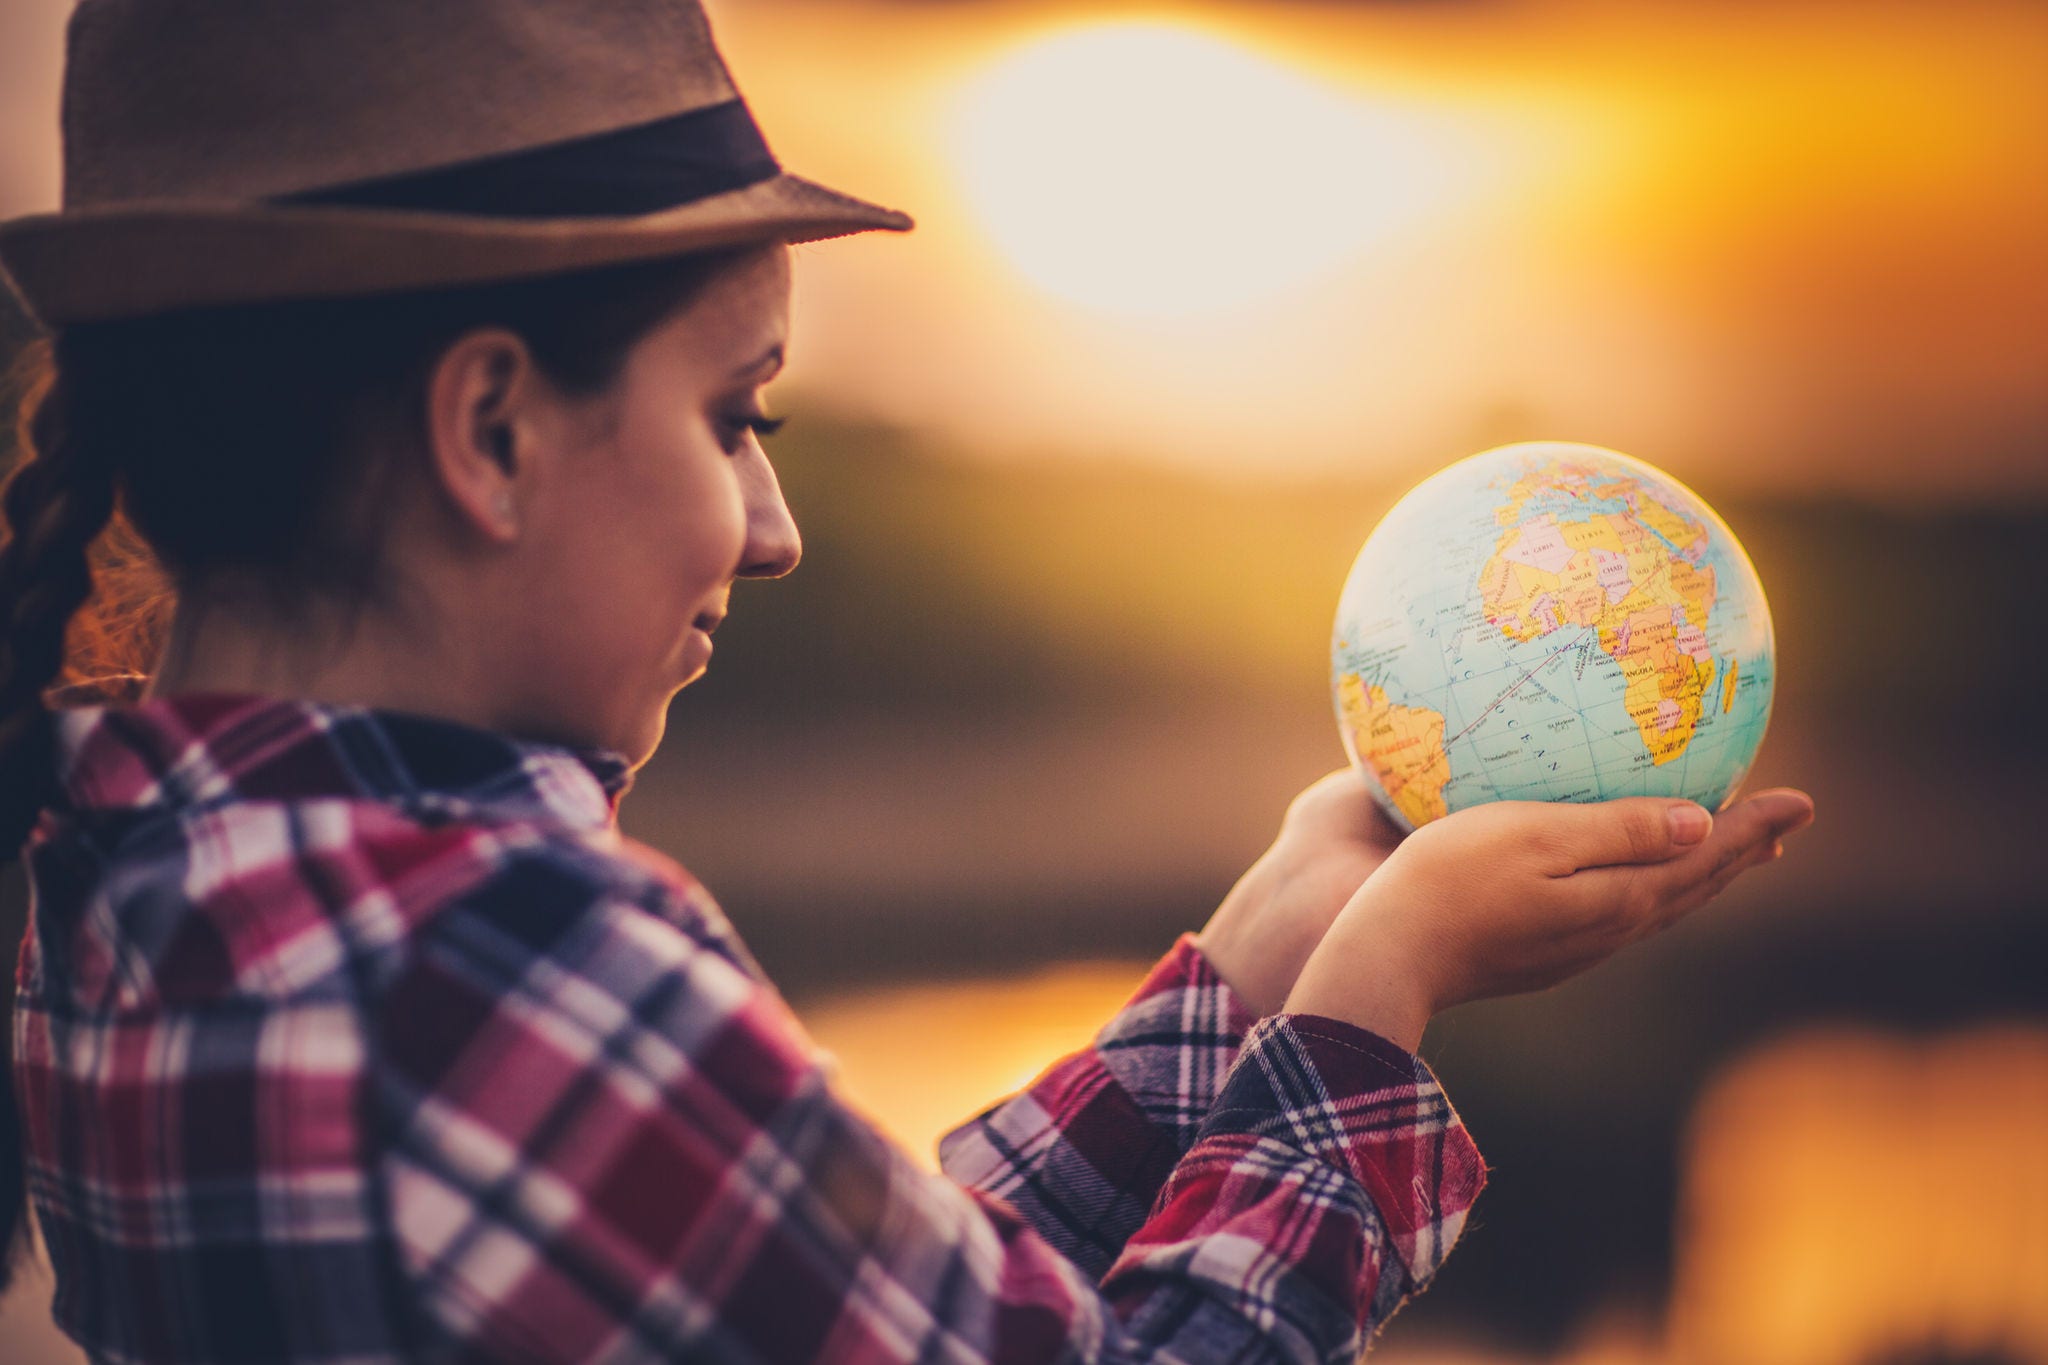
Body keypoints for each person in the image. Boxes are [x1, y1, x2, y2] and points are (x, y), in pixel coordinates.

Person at [0, 2, 1816, 1361]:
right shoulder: (491, 970)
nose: (773, 527)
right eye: (734, 417)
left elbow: (843, 1300)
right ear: (490, 427)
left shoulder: (130, 899)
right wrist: (1378, 996)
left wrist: (1264, 960)